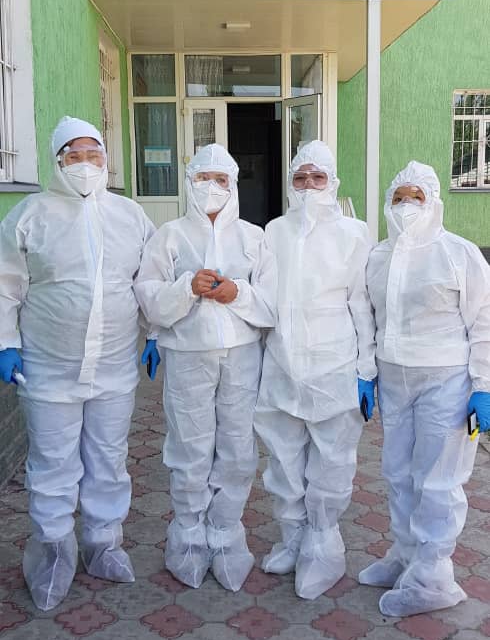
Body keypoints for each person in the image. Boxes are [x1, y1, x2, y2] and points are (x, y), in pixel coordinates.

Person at [0, 116, 159, 611]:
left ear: (106, 160)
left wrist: (155, 332)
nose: (85, 164)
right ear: (57, 161)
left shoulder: (130, 215)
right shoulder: (30, 215)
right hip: (48, 367)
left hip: (114, 365)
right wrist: (5, 342)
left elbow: (149, 280)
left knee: (108, 459)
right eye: (74, 155)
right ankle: (51, 554)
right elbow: (5, 285)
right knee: (53, 463)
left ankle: (103, 544)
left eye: (94, 154)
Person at [134, 143, 276, 592]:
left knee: (237, 446)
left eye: (220, 180)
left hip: (241, 355)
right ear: (189, 182)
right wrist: (186, 288)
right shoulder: (170, 236)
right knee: (190, 446)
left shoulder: (254, 238)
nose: (211, 188)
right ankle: (190, 535)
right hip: (187, 353)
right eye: (202, 179)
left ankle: (226, 532)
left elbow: (274, 304)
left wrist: (238, 293)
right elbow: (148, 296)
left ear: (233, 185)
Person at [358, 161, 490, 617]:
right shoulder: (378, 256)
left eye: (417, 197)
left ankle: (433, 577)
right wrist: (366, 373)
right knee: (398, 472)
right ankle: (406, 554)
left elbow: (484, 321)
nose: (407, 205)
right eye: (399, 197)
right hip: (395, 378)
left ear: (433, 201)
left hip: (446, 381)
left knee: (438, 478)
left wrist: (484, 385)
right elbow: (369, 318)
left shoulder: (459, 253)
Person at [254, 141, 377, 600]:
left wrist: (367, 369)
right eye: (300, 178)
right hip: (282, 362)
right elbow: (264, 297)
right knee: (283, 459)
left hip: (335, 365)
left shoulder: (354, 233)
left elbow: (362, 304)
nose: (308, 186)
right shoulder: (275, 231)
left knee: (331, 461)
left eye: (317, 177)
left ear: (332, 181)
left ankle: (323, 544)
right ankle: (292, 537)